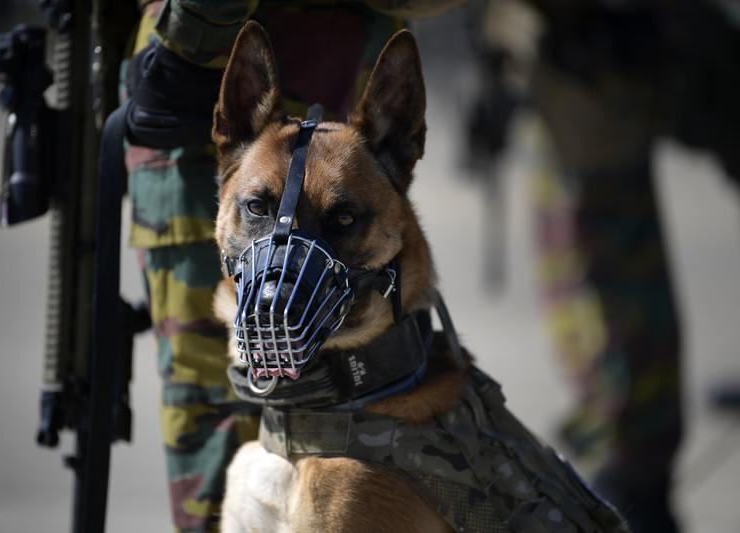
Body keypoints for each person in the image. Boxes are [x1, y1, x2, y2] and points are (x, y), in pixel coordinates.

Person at [122, 1, 463, 530]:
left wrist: (192, 32)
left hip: (228, 54)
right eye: (258, 211)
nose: (282, 274)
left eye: (342, 221)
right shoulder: (249, 154)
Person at [467, 1, 740, 531]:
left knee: (606, 273)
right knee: (591, 261)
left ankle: (630, 470)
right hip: (578, 57)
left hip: (603, 52)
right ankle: (627, 465)